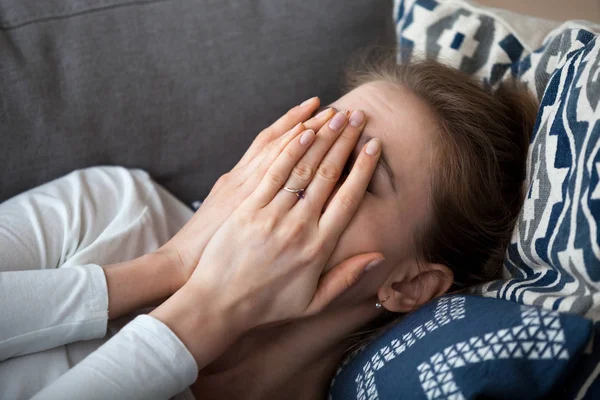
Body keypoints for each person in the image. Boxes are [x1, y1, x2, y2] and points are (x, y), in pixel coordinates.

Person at [0, 53, 538, 399]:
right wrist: (170, 267)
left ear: (409, 285)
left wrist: (210, 308)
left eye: (357, 175)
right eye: (313, 136)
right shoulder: (110, 205)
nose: (297, 173)